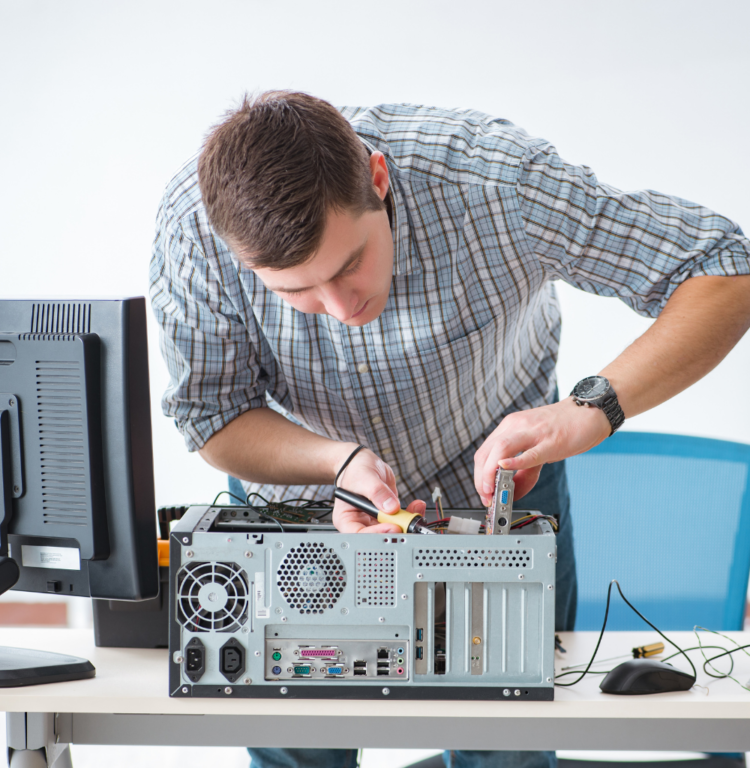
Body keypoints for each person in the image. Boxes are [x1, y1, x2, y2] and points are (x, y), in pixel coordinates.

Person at [150, 92, 750, 768]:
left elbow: (723, 267)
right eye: (296, 292)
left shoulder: (493, 180)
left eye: (350, 265)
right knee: (298, 750)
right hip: (302, 508)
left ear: (378, 178)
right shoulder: (193, 233)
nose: (341, 309)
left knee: (505, 750)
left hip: (500, 493)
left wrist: (590, 409)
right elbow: (213, 417)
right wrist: (339, 465)